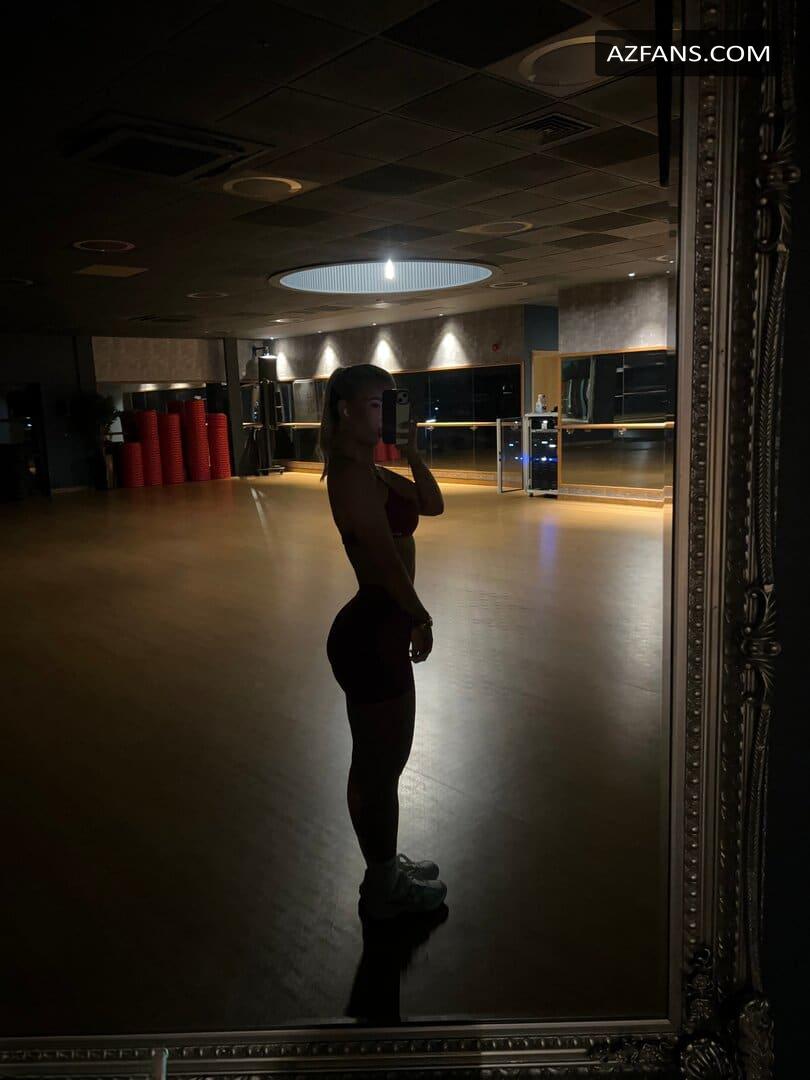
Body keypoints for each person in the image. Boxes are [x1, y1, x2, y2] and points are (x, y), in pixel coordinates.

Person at [320, 364, 448, 920]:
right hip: (375, 629)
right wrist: (418, 617)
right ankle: (382, 887)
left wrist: (411, 451)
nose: (384, 414)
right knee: (378, 771)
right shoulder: (350, 475)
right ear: (345, 410)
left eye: (389, 404)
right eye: (376, 404)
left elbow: (432, 504)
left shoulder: (371, 471)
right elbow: (381, 558)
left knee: (381, 765)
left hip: (380, 627)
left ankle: (386, 867)